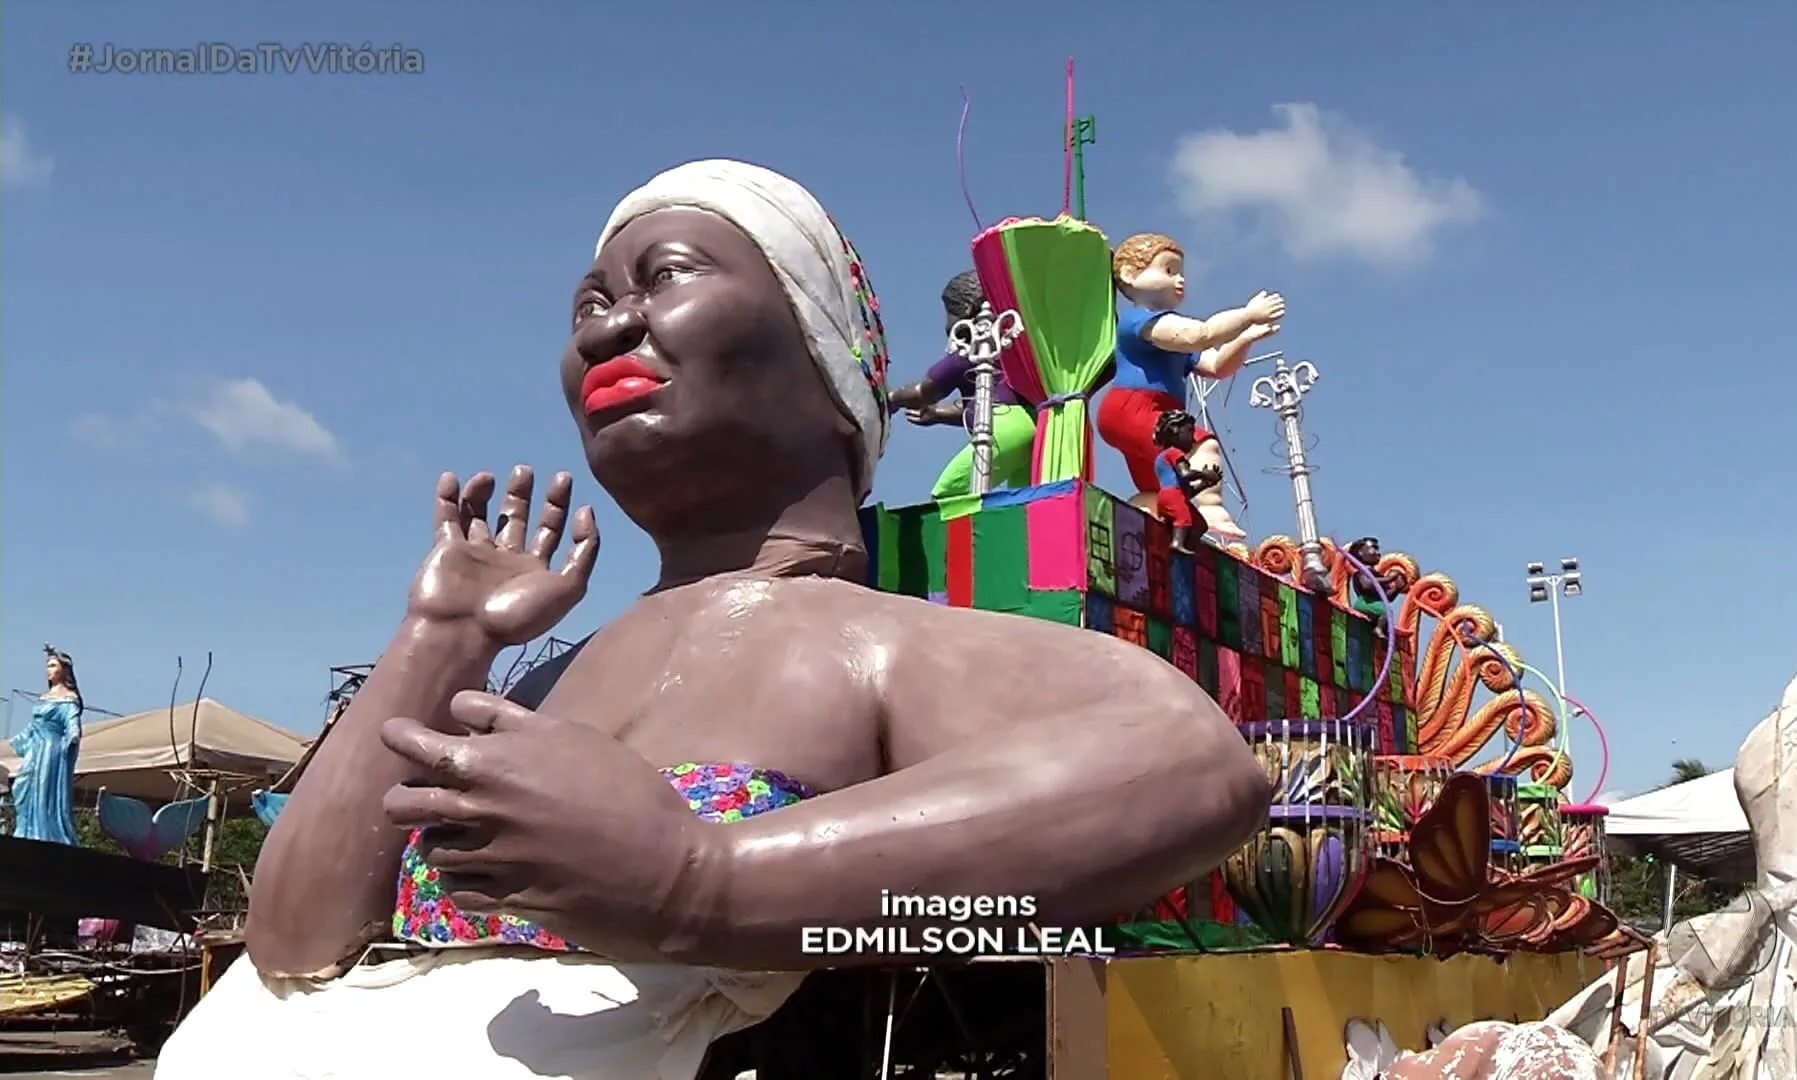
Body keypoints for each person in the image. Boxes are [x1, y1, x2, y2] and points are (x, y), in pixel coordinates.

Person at [157, 160, 1270, 1080]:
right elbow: (293, 944)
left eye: (667, 276)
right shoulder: (535, 681)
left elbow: (1190, 766)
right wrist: (440, 638)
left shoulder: (860, 638)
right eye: (588, 304)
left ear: (831, 371)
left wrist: (703, 882)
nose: (608, 327)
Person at [1095, 232, 1282, 539]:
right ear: (1130, 275)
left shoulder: (1170, 339)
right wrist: (1247, 315)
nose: (1180, 279)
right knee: (1199, 445)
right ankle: (1210, 507)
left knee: (1161, 485)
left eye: (1181, 272)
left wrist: (1245, 338)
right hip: (1133, 405)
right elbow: (1200, 334)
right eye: (1169, 270)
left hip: (1156, 412)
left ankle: (1144, 518)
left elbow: (1215, 365)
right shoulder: (1139, 322)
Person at [886, 270, 1039, 497]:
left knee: (947, 494)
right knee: (1019, 503)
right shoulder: (1005, 349)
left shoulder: (970, 352)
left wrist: (890, 398)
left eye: (949, 313)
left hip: (1005, 430)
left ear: (965, 311)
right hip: (1030, 426)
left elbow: (922, 392)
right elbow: (981, 405)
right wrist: (938, 415)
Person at [8, 645, 83, 845]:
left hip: (51, 749)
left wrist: (74, 735)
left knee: (44, 788)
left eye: (53, 665)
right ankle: (26, 830)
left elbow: (71, 720)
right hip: (35, 746)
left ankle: (47, 833)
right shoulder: (44, 697)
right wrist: (18, 740)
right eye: (47, 666)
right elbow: (34, 724)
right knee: (21, 785)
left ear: (64, 669)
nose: (48, 670)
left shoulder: (69, 698)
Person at [1151, 410, 1219, 554]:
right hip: (1173, 496)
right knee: (1184, 519)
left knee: (1200, 525)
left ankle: (1186, 544)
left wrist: (1204, 484)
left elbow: (1186, 492)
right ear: (1175, 430)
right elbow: (1185, 474)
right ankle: (1177, 543)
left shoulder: (1162, 456)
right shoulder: (1174, 453)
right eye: (1189, 431)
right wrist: (1205, 474)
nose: (1193, 439)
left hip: (1170, 497)